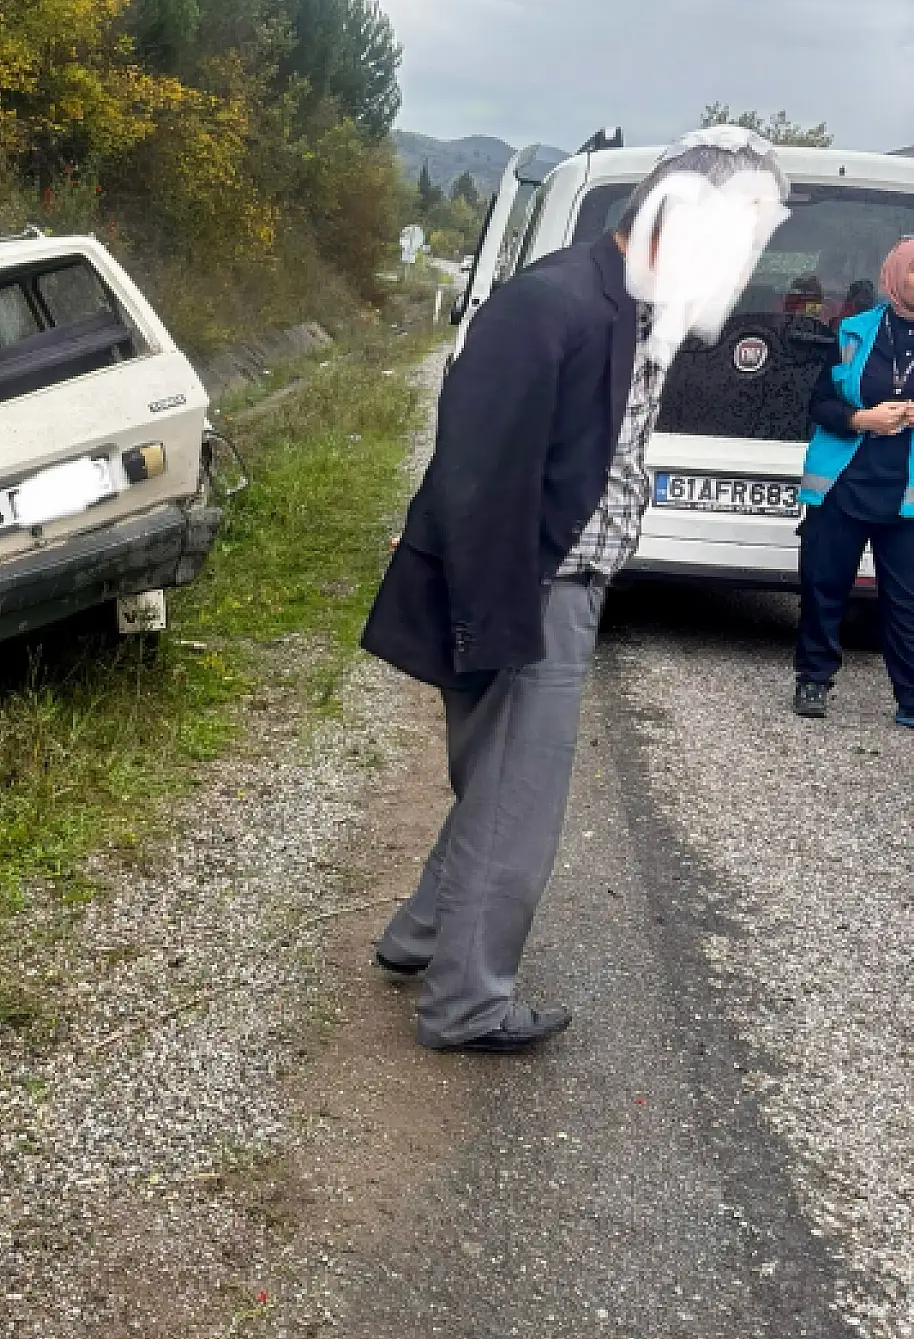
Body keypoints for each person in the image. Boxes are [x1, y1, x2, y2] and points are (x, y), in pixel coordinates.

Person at [361, 128, 789, 1053]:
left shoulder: (637, 308)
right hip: (531, 589)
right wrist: (495, 621)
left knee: (498, 785)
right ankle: (466, 1004)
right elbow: (476, 475)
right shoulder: (552, 304)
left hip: (566, 583)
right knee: (519, 804)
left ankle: (420, 939)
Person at [792, 238, 914, 728]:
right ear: (895, 275)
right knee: (824, 586)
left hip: (904, 494)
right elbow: (819, 403)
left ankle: (910, 699)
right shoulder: (854, 331)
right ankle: (813, 679)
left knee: (906, 601)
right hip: (843, 485)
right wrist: (863, 419)